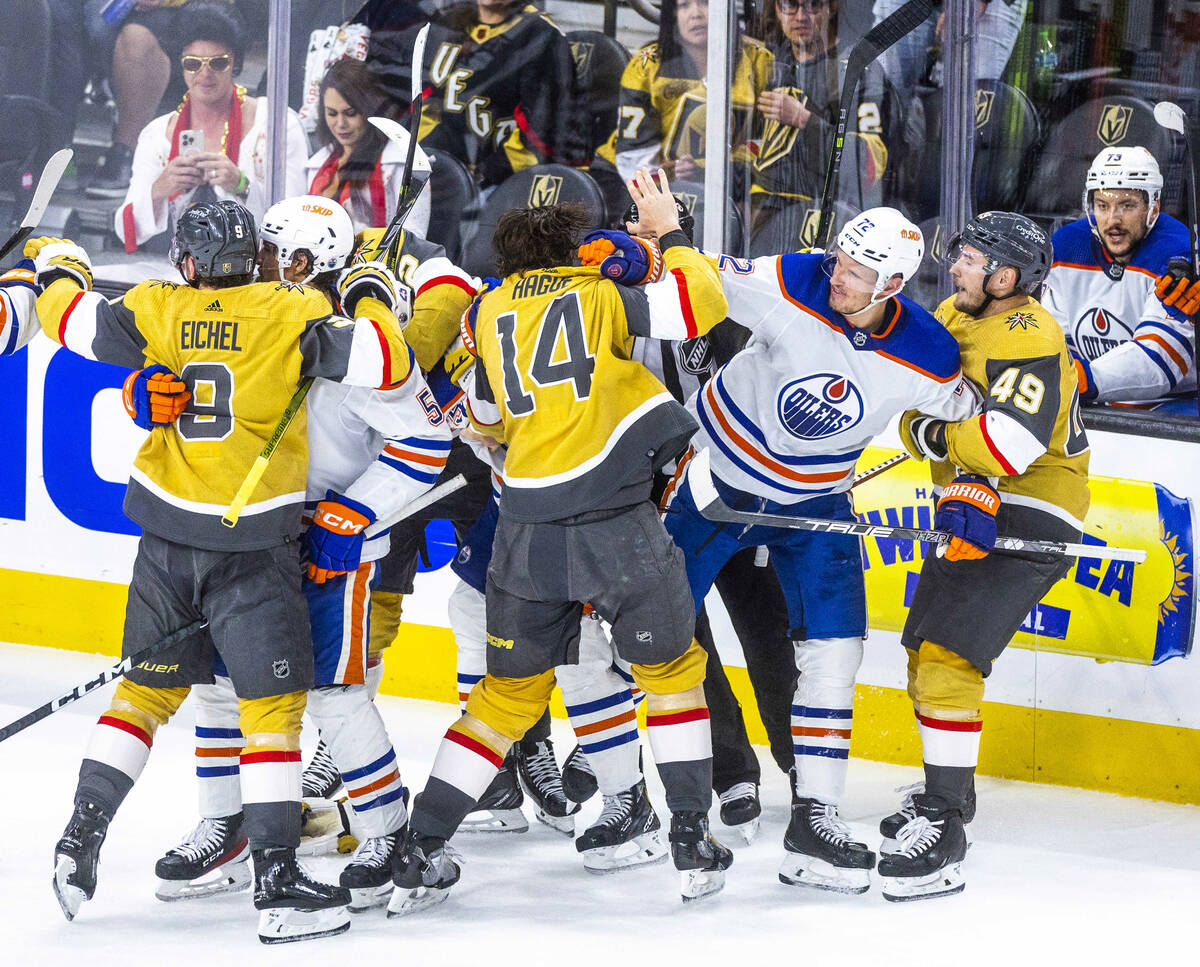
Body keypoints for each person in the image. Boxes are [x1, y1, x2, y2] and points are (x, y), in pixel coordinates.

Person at [33, 198, 412, 944]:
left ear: (187, 262)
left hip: (166, 540)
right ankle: (275, 881)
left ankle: (79, 839)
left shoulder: (155, 305)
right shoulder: (294, 309)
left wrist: (54, 260)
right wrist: (370, 289)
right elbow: (389, 360)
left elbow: (68, 319)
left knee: (142, 694)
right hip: (253, 548)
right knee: (270, 712)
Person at [388, 169, 733, 915]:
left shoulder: (487, 310)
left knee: (504, 697)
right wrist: (669, 231)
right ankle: (687, 835)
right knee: (673, 674)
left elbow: (481, 413)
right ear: (575, 252)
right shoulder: (598, 293)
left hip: (527, 530)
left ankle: (420, 843)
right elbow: (700, 303)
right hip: (617, 525)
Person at [657, 207, 978, 895]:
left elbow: (968, 410)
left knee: (836, 653)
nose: (840, 278)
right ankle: (653, 806)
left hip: (816, 506)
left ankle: (815, 821)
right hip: (715, 483)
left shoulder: (927, 353)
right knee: (649, 635)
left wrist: (963, 469)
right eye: (840, 260)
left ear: (892, 284)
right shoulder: (793, 278)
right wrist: (667, 238)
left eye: (858, 274)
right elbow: (700, 290)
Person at [147, 196, 452, 913]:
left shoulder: (349, 349)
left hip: (323, 551)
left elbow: (427, 438)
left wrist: (356, 511)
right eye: (263, 255)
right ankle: (226, 823)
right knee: (222, 689)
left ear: (317, 264)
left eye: (283, 258)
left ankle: (388, 833)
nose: (265, 269)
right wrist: (144, 395)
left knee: (334, 694)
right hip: (249, 546)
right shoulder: (249, 327)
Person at [880, 211, 1088, 901]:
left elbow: (1007, 446)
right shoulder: (961, 312)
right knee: (923, 652)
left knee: (947, 656)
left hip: (1030, 510)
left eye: (969, 259)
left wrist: (932, 436)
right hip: (975, 502)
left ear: (1005, 277)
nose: (956, 266)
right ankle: (951, 792)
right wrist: (933, 433)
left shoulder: (1030, 333)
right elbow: (914, 403)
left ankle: (944, 829)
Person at [113, 2, 308, 253]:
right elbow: (126, 229)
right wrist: (160, 189)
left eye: (218, 63)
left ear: (235, 63)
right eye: (193, 63)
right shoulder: (156, 134)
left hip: (259, 278)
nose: (204, 74)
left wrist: (241, 185)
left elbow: (297, 225)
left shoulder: (276, 123)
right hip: (184, 274)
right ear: (181, 65)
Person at [1041, 146, 1196, 411]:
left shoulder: (1179, 255)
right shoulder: (1066, 246)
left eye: (1127, 205)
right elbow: (1055, 338)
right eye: (1103, 205)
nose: (1113, 220)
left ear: (1153, 207)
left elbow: (1161, 359)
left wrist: (1083, 379)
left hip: (1173, 402)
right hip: (1092, 396)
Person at [369, 0, 585, 188]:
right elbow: (426, 104)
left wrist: (486, 177)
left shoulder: (542, 37)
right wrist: (417, 159)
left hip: (506, 181)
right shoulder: (448, 23)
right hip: (445, 171)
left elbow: (543, 131)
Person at [751, 0, 896, 244]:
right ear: (775, 9)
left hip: (832, 224)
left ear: (833, 8)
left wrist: (803, 119)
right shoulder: (769, 63)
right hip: (766, 223)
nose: (801, 16)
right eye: (789, 6)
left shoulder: (859, 70)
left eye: (813, 5)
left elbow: (864, 166)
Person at [607, 0, 772, 183]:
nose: (696, 14)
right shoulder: (646, 65)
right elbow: (634, 158)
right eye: (684, 5)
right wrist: (670, 177)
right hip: (630, 182)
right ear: (673, 14)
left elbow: (766, 144)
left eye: (706, 3)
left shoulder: (760, 61)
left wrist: (715, 171)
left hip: (730, 190)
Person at [305, 58, 432, 236]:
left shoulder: (403, 163)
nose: (340, 124)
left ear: (370, 109)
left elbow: (413, 240)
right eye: (332, 113)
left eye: (350, 113)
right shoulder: (318, 164)